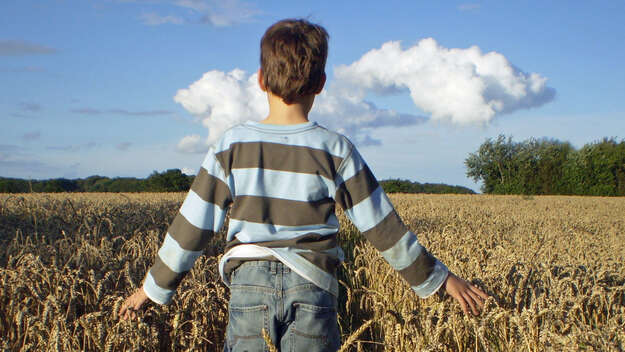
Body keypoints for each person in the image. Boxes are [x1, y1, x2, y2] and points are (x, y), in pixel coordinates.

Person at [119, 18, 489, 351]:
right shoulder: (335, 149)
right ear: (322, 84)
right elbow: (383, 228)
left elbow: (191, 228)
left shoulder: (230, 146)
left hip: (248, 288)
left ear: (261, 79)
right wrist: (439, 278)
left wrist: (150, 289)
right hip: (313, 287)